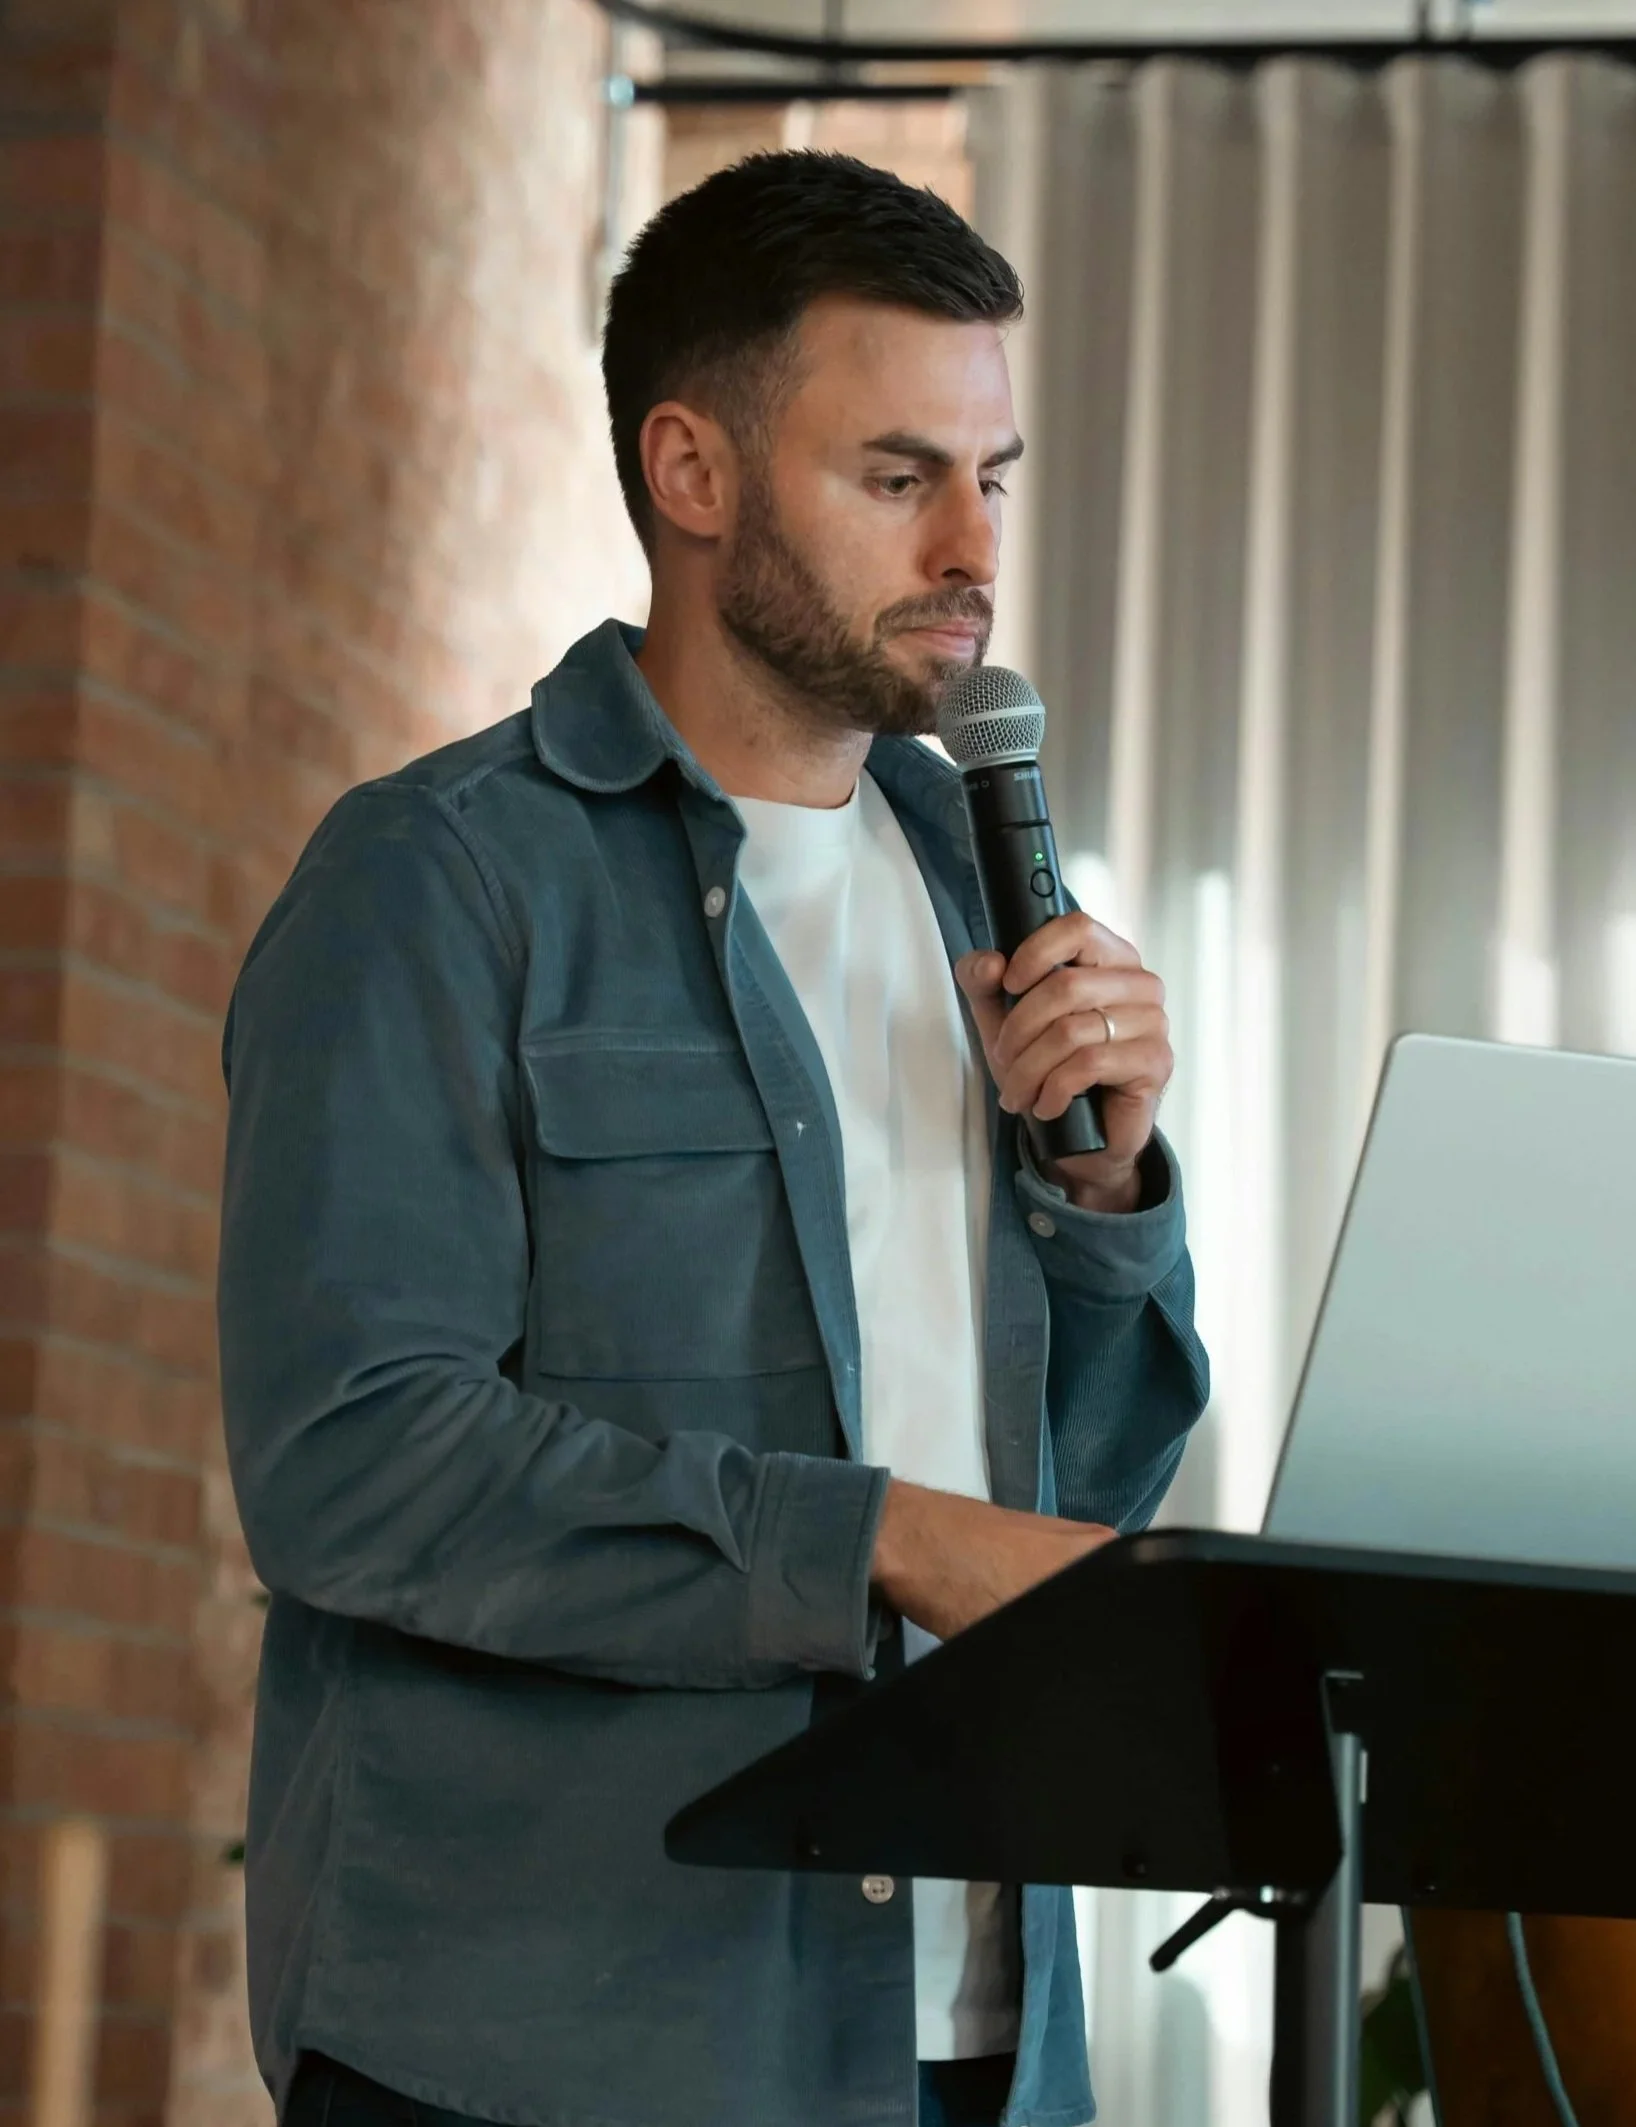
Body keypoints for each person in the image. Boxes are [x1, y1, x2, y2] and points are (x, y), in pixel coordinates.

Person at [217, 152, 1209, 2127]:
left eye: (990, 475)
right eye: (894, 472)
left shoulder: (989, 900)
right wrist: (887, 1539)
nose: (968, 546)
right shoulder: (441, 884)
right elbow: (353, 1460)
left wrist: (1107, 1196)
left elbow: (1071, 1508)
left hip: (970, 2050)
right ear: (693, 473)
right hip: (547, 2051)